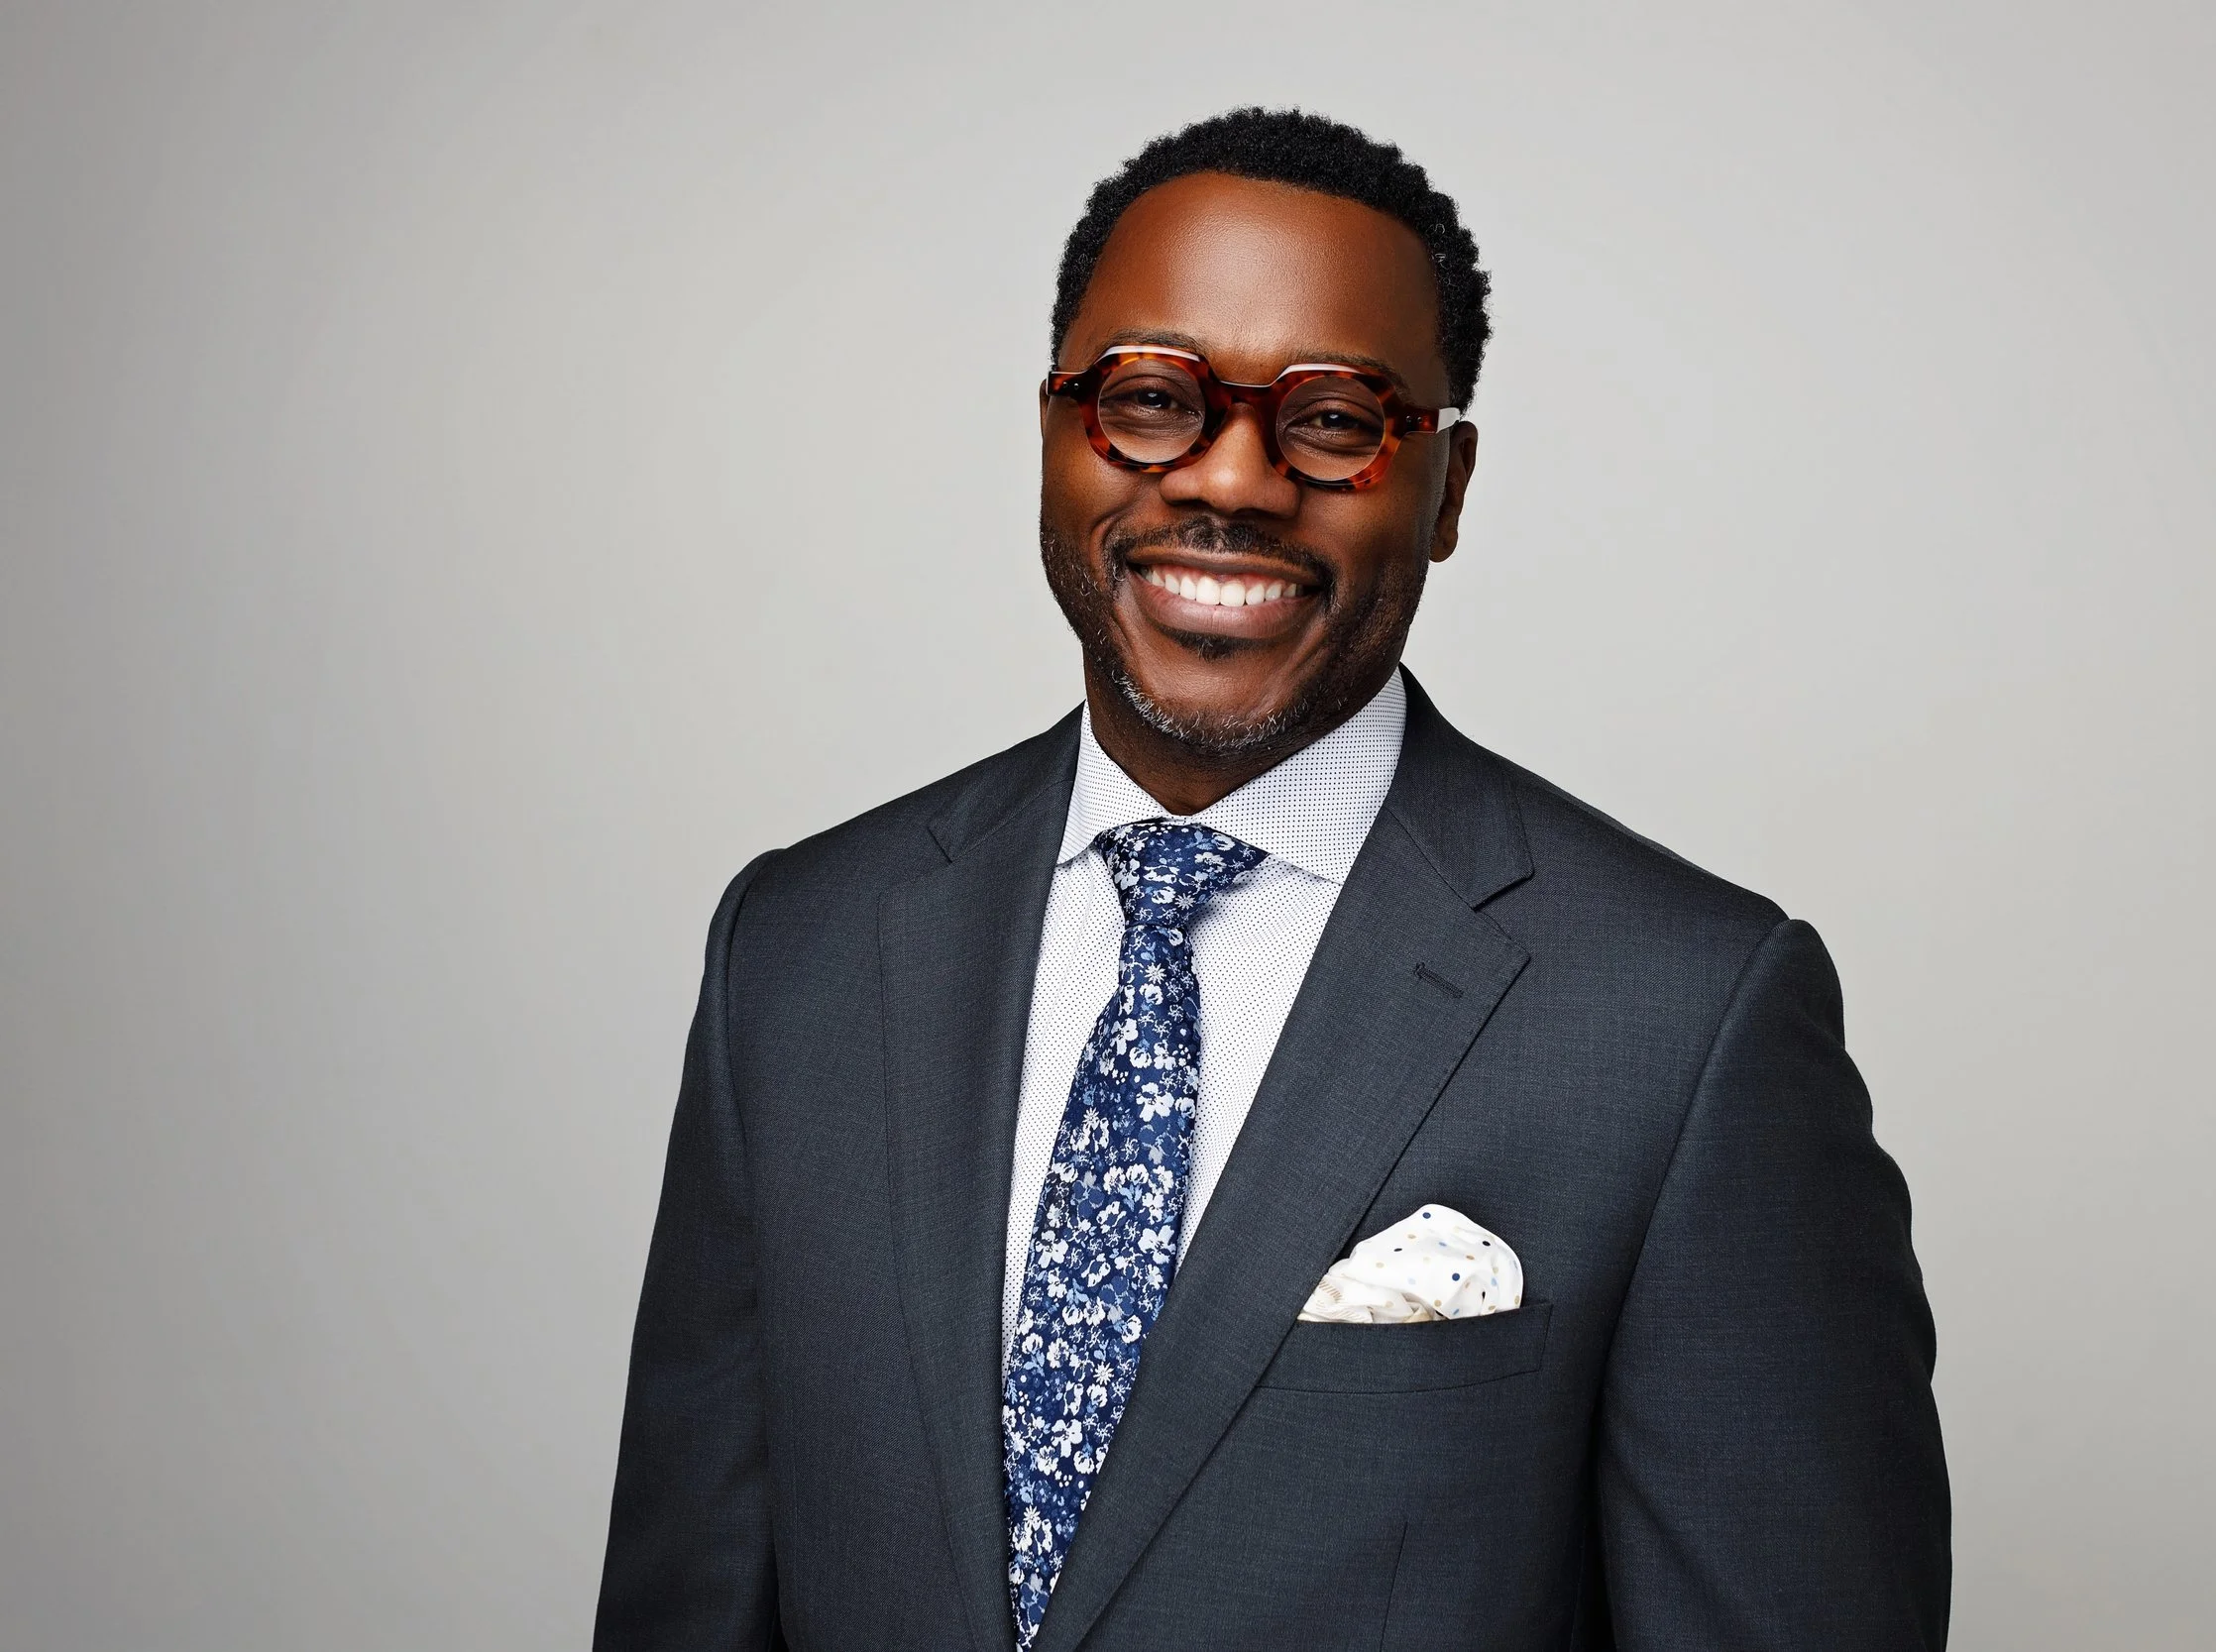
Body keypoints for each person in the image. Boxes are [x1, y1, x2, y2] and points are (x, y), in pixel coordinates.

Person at [594, 108, 1949, 1652]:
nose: (1231, 479)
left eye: (1332, 418)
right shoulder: (798, 953)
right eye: (1149, 399)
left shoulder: (1684, 1018)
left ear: (1447, 485)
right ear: (1052, 436)